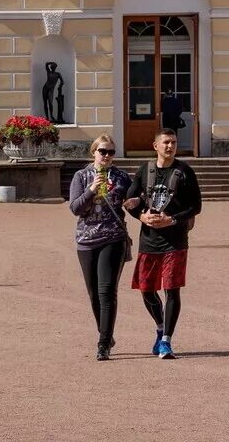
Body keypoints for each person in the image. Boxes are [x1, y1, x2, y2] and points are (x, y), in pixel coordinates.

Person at [123, 128, 201, 358]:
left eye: (173, 142)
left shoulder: (185, 171)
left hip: (175, 241)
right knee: (146, 290)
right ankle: (160, 327)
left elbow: (196, 206)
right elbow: (129, 200)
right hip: (148, 240)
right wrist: (141, 216)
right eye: (166, 142)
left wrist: (173, 219)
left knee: (171, 289)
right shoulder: (144, 170)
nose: (170, 146)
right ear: (155, 145)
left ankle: (166, 340)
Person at [67, 136, 137, 360]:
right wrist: (91, 190)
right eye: (103, 151)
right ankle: (105, 332)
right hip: (86, 240)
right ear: (94, 152)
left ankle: (103, 343)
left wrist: (137, 204)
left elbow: (135, 200)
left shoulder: (121, 177)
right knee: (93, 293)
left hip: (113, 238)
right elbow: (75, 208)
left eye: (111, 152)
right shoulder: (81, 176)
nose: (107, 156)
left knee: (107, 291)